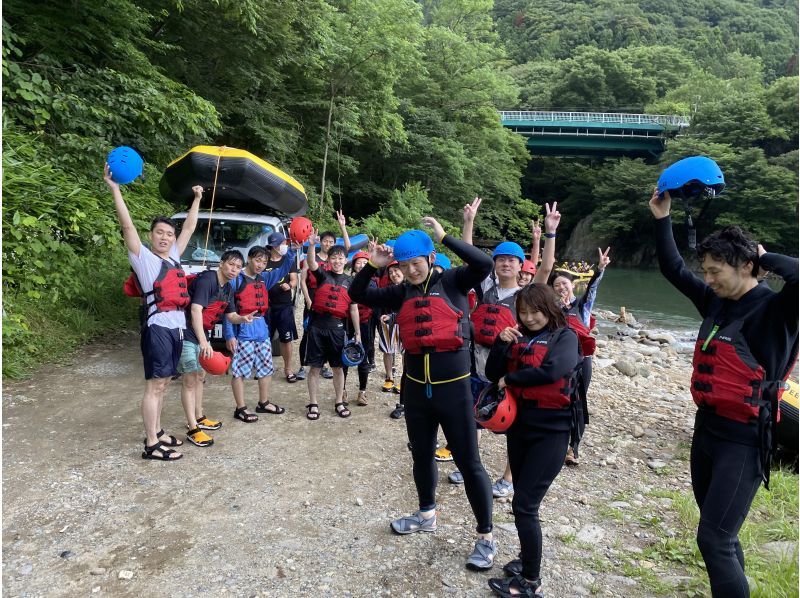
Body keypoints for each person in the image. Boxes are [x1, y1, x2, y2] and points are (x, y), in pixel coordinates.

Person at [649, 172, 797, 597]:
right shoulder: (716, 301)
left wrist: (765, 256)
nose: (708, 278)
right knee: (722, 537)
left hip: (745, 440)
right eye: (707, 271)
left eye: (716, 271)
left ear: (748, 266)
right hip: (708, 432)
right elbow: (674, 269)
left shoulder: (777, 311)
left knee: (712, 539)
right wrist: (662, 218)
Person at [350, 217, 497, 572]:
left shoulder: (454, 281)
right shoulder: (401, 291)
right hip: (415, 391)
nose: (412, 270)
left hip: (455, 390)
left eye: (417, 263)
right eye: (406, 265)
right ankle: (426, 513)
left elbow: (484, 263)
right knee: (421, 455)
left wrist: (445, 237)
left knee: (469, 463)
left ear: (430, 259)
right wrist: (374, 266)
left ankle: (486, 537)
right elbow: (357, 295)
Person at [485, 284, 581, 598]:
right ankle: (527, 561)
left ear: (550, 308)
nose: (528, 317)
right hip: (520, 428)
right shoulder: (520, 335)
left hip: (550, 433)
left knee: (525, 505)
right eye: (523, 312)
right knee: (521, 503)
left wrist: (511, 379)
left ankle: (530, 581)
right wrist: (501, 344)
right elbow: (491, 373)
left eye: (534, 311)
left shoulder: (565, 337)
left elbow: (554, 370)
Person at [106, 164, 201, 461]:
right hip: (158, 327)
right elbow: (128, 227)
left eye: (168, 234)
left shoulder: (173, 257)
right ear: (151, 236)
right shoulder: (143, 259)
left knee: (164, 383)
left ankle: (158, 431)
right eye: (159, 233)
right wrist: (115, 188)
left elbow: (188, 228)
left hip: (176, 328)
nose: (165, 237)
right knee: (155, 385)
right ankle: (151, 444)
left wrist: (197, 199)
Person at [179, 250, 257, 445]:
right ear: (221, 263)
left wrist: (242, 318)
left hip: (202, 334)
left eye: (238, 267)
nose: (234, 269)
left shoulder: (228, 288)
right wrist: (203, 342)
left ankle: (199, 416)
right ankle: (192, 428)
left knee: (200, 376)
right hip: (188, 333)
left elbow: (230, 316)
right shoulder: (208, 280)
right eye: (231, 264)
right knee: (189, 379)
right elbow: (196, 310)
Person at [549, 246, 611, 466]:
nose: (561, 288)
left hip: (582, 361)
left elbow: (592, 289)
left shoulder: (582, 306)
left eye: (564, 284)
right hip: (559, 362)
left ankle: (573, 448)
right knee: (559, 400)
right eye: (556, 285)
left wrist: (600, 269)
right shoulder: (552, 311)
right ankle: (556, 442)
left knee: (577, 402)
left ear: (572, 285)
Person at [223, 242, 298, 423]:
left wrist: (293, 252)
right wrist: (229, 335)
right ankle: (240, 408)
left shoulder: (264, 278)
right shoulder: (236, 280)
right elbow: (226, 309)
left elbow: (283, 270)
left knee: (266, 368)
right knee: (239, 371)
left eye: (264, 262)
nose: (260, 265)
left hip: (262, 331)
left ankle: (263, 403)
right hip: (242, 331)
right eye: (257, 260)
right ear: (249, 259)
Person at [304, 232, 360, 420]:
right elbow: (311, 264)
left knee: (337, 367)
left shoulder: (350, 282)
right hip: (317, 326)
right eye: (333, 257)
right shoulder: (322, 275)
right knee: (314, 368)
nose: (337, 261)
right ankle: (313, 403)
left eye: (340, 258)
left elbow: (353, 310)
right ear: (328, 260)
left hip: (337, 328)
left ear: (346, 260)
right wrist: (312, 245)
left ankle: (339, 401)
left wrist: (357, 333)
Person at [264, 232, 300, 382]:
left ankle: (288, 369)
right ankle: (264, 367)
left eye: (283, 243)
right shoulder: (264, 260)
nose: (283, 246)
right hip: (266, 306)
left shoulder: (288, 260)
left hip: (284, 305)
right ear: (273, 247)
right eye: (280, 244)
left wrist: (289, 285)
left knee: (286, 339)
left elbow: (294, 280)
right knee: (265, 338)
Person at [350, 250, 377, 406]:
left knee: (363, 357)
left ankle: (362, 391)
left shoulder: (373, 283)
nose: (361, 265)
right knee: (343, 358)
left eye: (364, 263)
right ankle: (343, 391)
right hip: (347, 323)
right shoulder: (348, 280)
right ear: (353, 266)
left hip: (365, 323)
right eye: (358, 262)